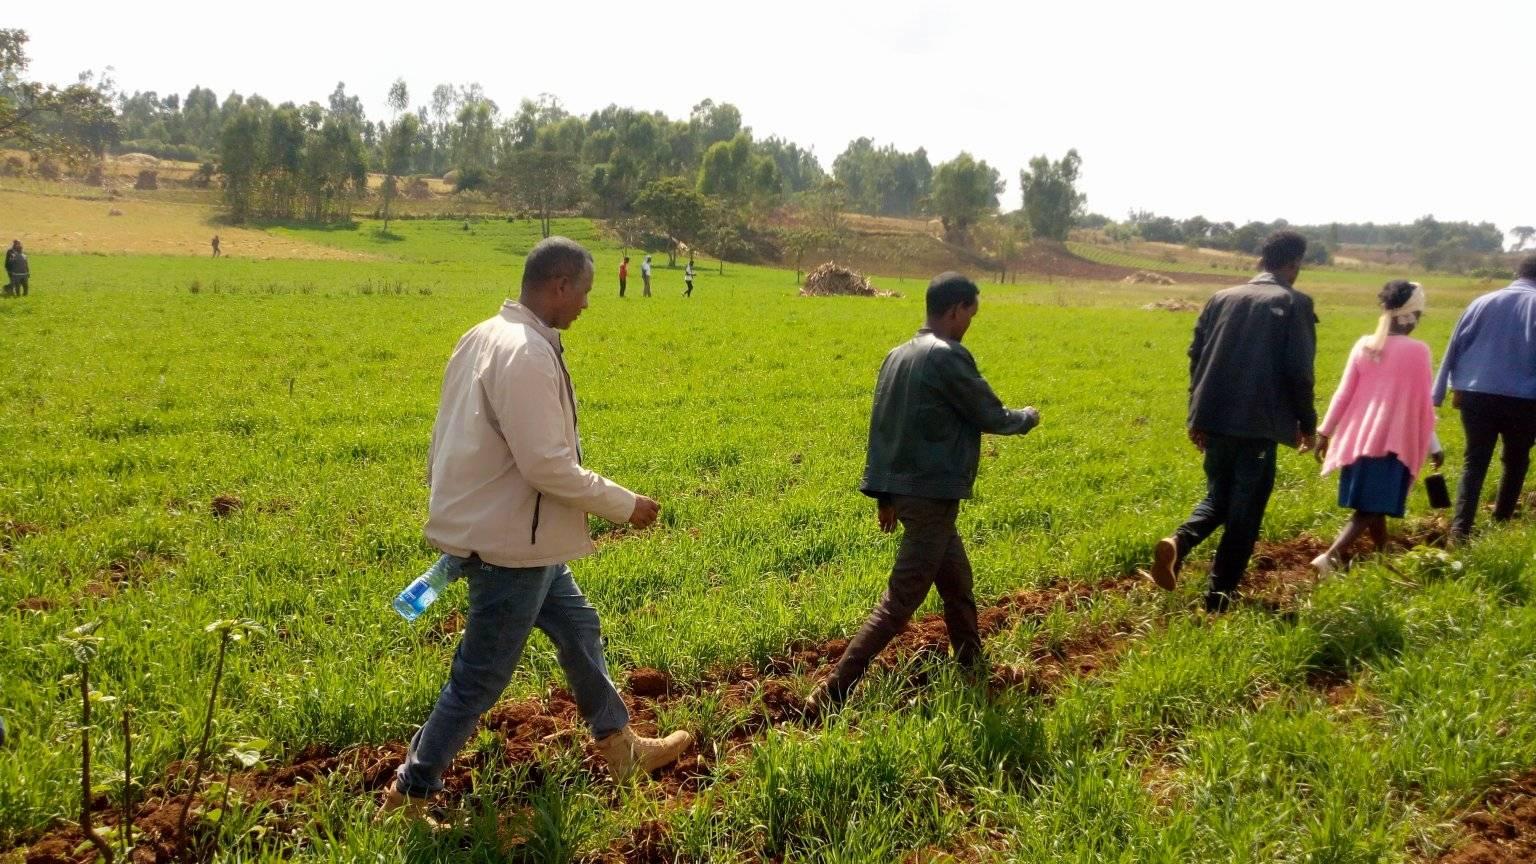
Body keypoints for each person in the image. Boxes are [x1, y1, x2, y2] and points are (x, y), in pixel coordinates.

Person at [377, 237, 692, 822]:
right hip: (510, 547)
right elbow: (546, 466)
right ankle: (410, 793)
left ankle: (620, 747)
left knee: (579, 628)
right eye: (586, 293)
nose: (587, 306)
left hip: (518, 534)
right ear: (560, 286)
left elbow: (446, 438)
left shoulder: (484, 335)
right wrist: (625, 505)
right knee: (479, 681)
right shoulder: (525, 353)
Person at [807, 272, 1041, 711]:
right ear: (955, 310)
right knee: (899, 602)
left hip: (911, 492)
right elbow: (988, 413)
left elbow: (884, 428)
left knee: (957, 585)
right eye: (970, 313)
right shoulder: (947, 356)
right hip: (931, 496)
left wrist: (884, 494)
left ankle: (973, 671)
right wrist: (1026, 417)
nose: (970, 322)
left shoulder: (896, 356)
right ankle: (833, 690)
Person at [1149, 230, 1318, 612]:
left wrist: (1197, 414)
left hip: (1214, 418)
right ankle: (1218, 599)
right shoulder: (1294, 304)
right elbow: (1300, 373)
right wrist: (1308, 424)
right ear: (1293, 264)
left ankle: (1179, 543)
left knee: (1220, 497)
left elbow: (1196, 357)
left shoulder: (1220, 298)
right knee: (1245, 513)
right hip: (1258, 425)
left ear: (1262, 260)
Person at [1311, 280, 1443, 573]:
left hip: (1359, 441)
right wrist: (1433, 445)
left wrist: (1324, 433)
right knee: (1372, 506)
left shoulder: (1365, 345)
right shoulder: (1417, 351)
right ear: (1413, 316)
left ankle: (1384, 557)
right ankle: (1331, 556)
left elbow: (1343, 393)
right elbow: (1421, 405)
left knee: (1373, 502)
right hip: (1391, 443)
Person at [1433, 254, 1536, 540]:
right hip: (1524, 400)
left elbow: (1456, 345)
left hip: (1476, 396)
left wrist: (1444, 391)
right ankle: (1501, 522)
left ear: (1518, 274)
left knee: (1474, 462)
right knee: (1516, 460)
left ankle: (1460, 530)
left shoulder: (1481, 302)